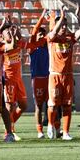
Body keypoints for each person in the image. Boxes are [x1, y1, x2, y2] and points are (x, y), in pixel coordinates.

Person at [46, 4, 80, 140]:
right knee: (53, 104)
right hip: (55, 76)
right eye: (61, 25)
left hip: (68, 76)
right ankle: (50, 125)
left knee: (67, 105)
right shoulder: (52, 38)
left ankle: (66, 132)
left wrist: (78, 16)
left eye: (65, 25)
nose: (63, 27)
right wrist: (61, 16)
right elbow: (52, 34)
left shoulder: (70, 38)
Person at [28, 9, 49, 139]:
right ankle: (40, 130)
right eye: (39, 34)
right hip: (37, 79)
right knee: (39, 105)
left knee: (53, 104)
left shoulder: (49, 47)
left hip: (49, 78)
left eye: (43, 34)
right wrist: (42, 16)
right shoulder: (32, 47)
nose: (41, 36)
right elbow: (34, 30)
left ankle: (55, 128)